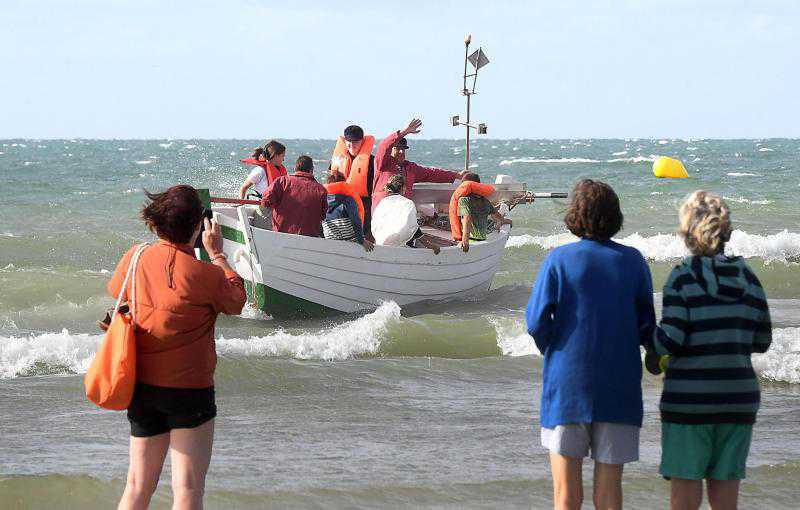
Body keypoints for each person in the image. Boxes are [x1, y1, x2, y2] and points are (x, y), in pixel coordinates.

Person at [108, 185, 247, 510]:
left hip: (142, 386)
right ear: (199, 225)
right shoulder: (207, 274)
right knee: (187, 490)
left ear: (158, 223)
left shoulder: (136, 256)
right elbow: (238, 301)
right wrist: (218, 254)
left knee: (137, 486)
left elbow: (117, 289)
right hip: (190, 391)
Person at [525, 179, 655, 510]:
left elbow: (536, 322)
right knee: (610, 494)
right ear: (614, 216)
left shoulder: (559, 260)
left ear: (575, 215)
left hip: (568, 383)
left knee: (566, 494)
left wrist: (555, 352)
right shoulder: (633, 261)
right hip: (619, 384)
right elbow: (646, 326)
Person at [643, 191, 772, 510]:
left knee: (684, 498)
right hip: (738, 402)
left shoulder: (682, 278)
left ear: (687, 233)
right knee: (725, 499)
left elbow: (670, 339)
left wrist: (650, 345)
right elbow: (763, 340)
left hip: (689, 403)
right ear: (726, 232)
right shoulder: (748, 277)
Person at [372, 118, 468, 212]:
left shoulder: (411, 168)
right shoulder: (383, 163)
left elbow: (432, 173)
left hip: (401, 212)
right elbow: (383, 146)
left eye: (403, 149)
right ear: (391, 149)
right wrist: (403, 132)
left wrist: (456, 175)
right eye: (397, 148)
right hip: (382, 210)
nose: (401, 152)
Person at [372, 174, 441, 254]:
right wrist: (429, 245)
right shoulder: (407, 203)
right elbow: (413, 228)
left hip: (381, 244)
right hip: (401, 247)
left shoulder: (382, 202)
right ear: (403, 188)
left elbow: (375, 225)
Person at [260, 155, 327, 237]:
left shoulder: (282, 181)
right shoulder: (321, 189)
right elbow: (323, 215)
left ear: (295, 169)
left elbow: (265, 202)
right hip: (310, 238)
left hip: (281, 234)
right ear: (311, 170)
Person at [330, 125, 376, 238]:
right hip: (340, 202)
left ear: (362, 141)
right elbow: (331, 180)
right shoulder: (338, 158)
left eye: (356, 142)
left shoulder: (371, 161)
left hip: (363, 202)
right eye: (349, 142)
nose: (352, 145)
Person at [457, 173, 513, 253]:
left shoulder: (464, 200)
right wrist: (507, 221)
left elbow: (467, 218)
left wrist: (465, 240)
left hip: (470, 241)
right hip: (482, 240)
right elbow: (497, 216)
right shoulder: (485, 201)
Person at [323, 172, 374, 251]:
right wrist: (362, 240)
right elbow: (355, 220)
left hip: (329, 238)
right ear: (344, 184)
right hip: (349, 239)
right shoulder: (348, 200)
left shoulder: (323, 201)